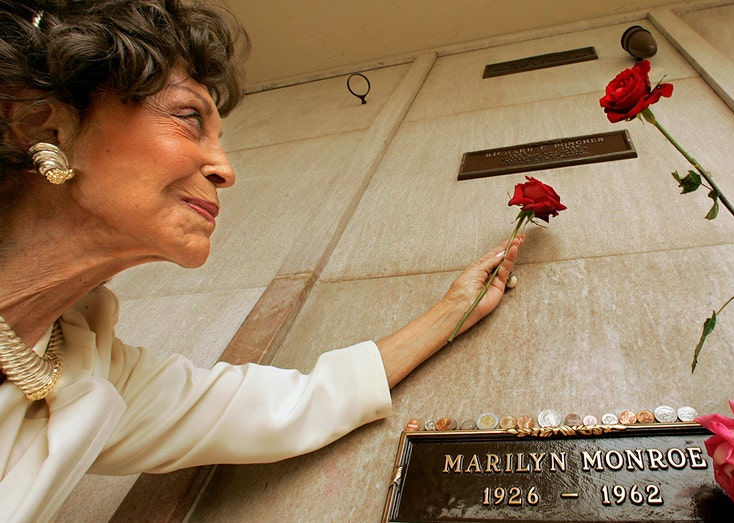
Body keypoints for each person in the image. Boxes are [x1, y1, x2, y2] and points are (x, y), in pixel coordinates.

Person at [0, 1, 522, 520]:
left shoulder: (86, 374)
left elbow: (293, 407)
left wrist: (454, 310)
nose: (224, 170)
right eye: (188, 118)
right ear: (45, 126)